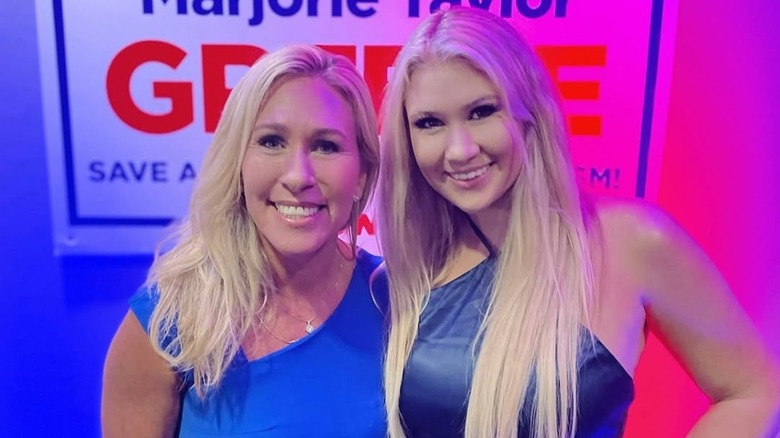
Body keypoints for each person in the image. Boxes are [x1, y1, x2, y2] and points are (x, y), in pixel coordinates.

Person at [374, 6, 780, 438]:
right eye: (430, 123)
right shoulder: (402, 278)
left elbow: (755, 391)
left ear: (527, 110)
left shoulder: (630, 244)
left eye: (481, 112)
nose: (459, 149)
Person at [102, 44, 384, 436]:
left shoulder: (395, 304)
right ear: (237, 161)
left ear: (363, 176)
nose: (298, 176)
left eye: (326, 146)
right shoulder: (173, 318)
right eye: (271, 141)